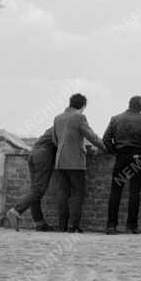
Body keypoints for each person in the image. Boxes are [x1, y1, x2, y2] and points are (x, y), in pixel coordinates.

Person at [102, 95, 141, 234]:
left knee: (116, 191)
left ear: (129, 104)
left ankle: (111, 226)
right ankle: (131, 226)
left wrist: (115, 151)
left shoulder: (115, 119)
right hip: (137, 158)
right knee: (134, 192)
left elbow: (106, 139)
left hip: (121, 157)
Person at [51, 92, 104, 232]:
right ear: (83, 106)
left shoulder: (57, 118)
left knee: (63, 194)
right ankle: (74, 226)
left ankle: (62, 226)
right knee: (77, 193)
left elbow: (55, 140)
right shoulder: (79, 117)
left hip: (60, 160)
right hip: (75, 161)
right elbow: (91, 136)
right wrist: (105, 146)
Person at [5, 125, 55, 232]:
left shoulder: (54, 126)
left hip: (33, 153)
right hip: (43, 156)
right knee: (38, 190)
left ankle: (39, 223)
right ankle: (16, 211)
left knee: (34, 190)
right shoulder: (63, 126)